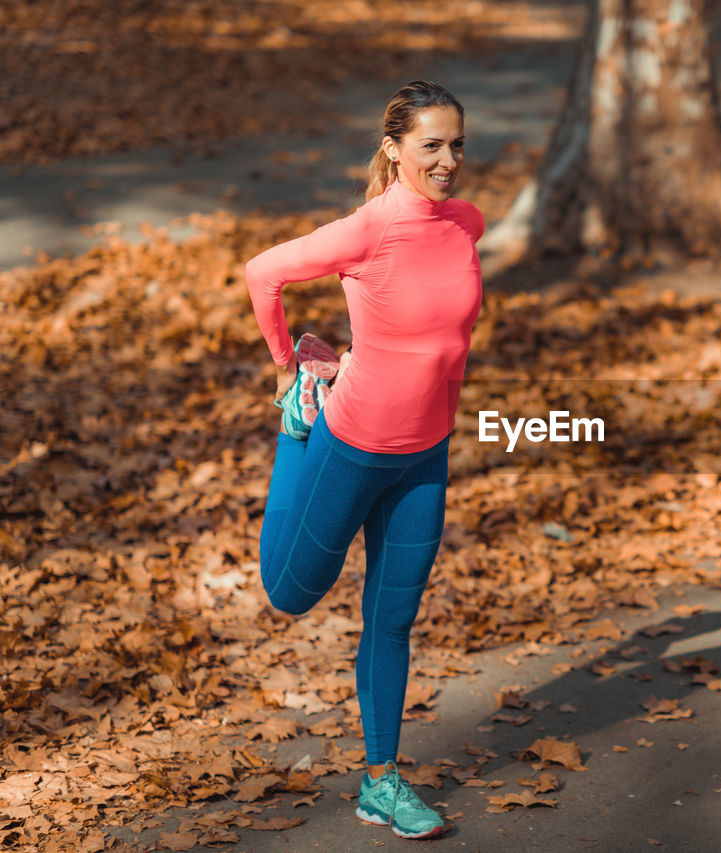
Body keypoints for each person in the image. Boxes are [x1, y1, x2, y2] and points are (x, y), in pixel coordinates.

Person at [244, 80, 483, 840]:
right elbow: (263, 273)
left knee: (394, 615)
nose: (448, 161)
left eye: (456, 145)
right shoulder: (368, 230)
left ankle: (382, 781)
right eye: (431, 147)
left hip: (425, 456)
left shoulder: (465, 224)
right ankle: (297, 421)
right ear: (395, 149)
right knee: (290, 593)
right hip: (351, 446)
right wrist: (287, 368)